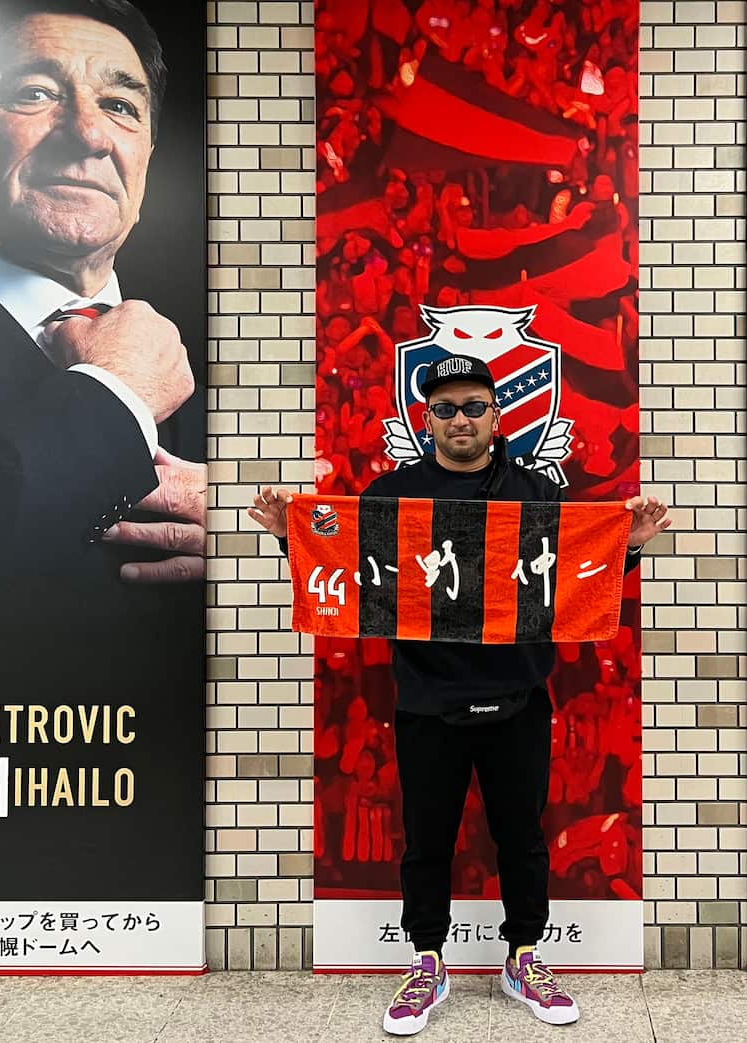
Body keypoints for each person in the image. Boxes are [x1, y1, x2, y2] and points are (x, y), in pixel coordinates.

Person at [0, 0, 204, 900]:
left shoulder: (215, 377)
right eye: (34, 93)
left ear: (143, 163)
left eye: (123, 107)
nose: (90, 133)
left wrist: (258, 548)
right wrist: (113, 400)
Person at [251, 354, 671, 1035]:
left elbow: (574, 574)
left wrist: (632, 547)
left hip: (518, 699)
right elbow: (351, 568)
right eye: (445, 409)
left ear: (497, 415)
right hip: (427, 701)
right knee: (426, 841)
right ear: (427, 420)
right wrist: (287, 538)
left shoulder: (537, 493)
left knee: (522, 839)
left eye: (474, 405)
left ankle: (524, 957)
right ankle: (427, 962)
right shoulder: (394, 492)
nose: (461, 420)